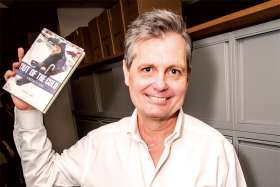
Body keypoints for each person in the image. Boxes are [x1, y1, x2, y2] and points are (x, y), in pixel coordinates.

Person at [4, 9, 247, 187]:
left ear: (187, 77)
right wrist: (27, 110)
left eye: (174, 71)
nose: (160, 84)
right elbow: (44, 181)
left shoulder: (216, 151)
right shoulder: (98, 145)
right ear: (126, 73)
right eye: (147, 69)